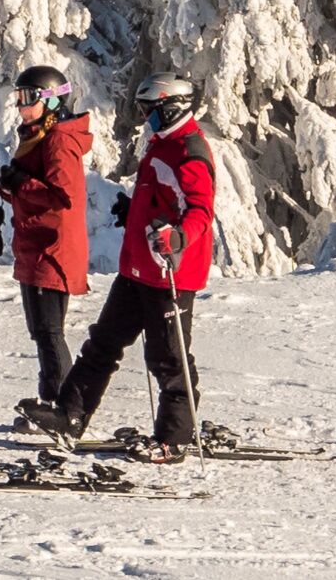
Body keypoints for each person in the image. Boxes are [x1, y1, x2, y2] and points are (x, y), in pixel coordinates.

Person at [22, 74, 215, 451]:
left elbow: (199, 210)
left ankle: (175, 434)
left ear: (171, 108)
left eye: (150, 111)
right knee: (103, 344)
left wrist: (178, 236)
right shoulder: (162, 145)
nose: (145, 119)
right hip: (137, 270)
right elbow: (163, 197)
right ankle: (70, 415)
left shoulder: (189, 150)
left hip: (168, 272)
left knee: (167, 357)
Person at [0, 66, 93, 407]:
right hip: (36, 246)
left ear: (51, 101)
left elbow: (63, 198)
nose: (21, 106)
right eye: (18, 97)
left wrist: (22, 184)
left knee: (49, 331)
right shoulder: (39, 136)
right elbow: (36, 191)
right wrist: (11, 186)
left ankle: (62, 406)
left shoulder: (59, 141)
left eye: (28, 98)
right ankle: (52, 400)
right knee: (42, 331)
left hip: (51, 248)